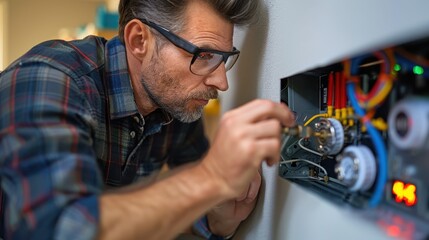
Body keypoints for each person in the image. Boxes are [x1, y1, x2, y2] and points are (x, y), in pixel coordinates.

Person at [0, 0, 295, 239]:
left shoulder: (176, 104)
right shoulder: (51, 79)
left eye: (224, 58)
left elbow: (186, 208)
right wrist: (210, 178)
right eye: (204, 55)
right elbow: (58, 230)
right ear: (139, 40)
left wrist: (217, 221)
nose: (221, 82)